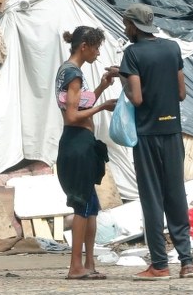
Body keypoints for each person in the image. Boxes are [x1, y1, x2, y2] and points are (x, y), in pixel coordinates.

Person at [116, 3, 193, 280]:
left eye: (127, 24)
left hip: (147, 136)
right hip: (173, 132)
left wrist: (123, 79)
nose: (125, 29)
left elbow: (136, 98)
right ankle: (187, 262)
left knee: (152, 199)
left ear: (135, 26)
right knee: (176, 196)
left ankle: (160, 265)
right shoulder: (172, 49)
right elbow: (182, 93)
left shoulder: (132, 54)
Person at [55, 26, 117, 280]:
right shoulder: (73, 75)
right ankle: (75, 267)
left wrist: (101, 88)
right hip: (76, 143)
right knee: (82, 206)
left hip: (81, 143)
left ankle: (89, 263)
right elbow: (71, 116)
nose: (98, 53)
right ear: (84, 46)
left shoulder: (68, 71)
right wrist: (102, 106)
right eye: (96, 47)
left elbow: (80, 103)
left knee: (92, 207)